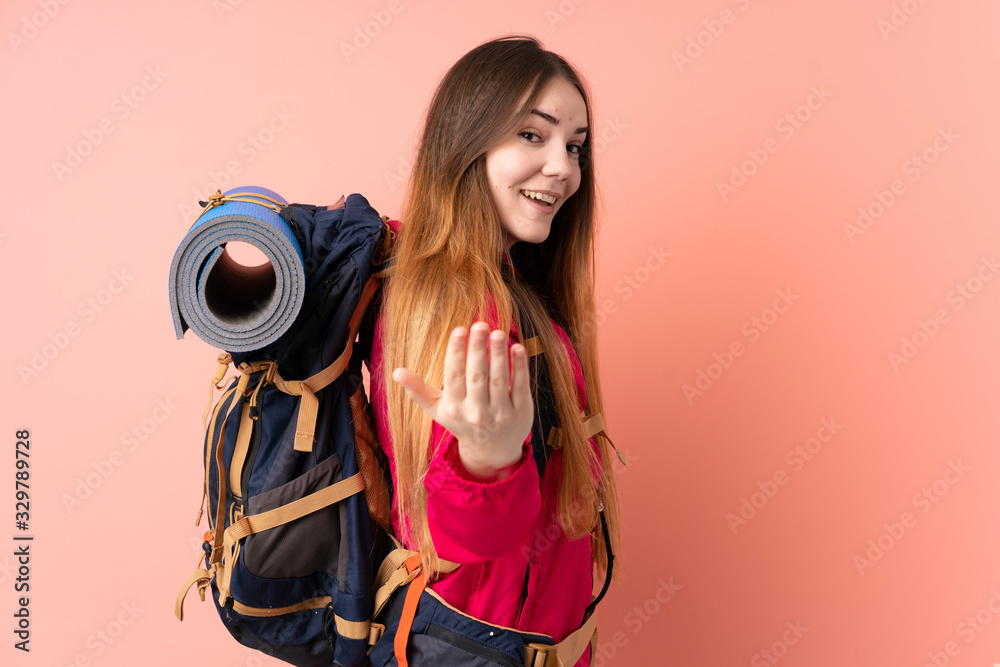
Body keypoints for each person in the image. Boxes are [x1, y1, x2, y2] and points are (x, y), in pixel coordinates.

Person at [368, 35, 621, 666]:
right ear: (468, 142)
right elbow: (463, 536)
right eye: (533, 136)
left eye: (575, 145)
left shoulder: (505, 289)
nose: (563, 167)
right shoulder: (462, 302)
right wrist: (486, 459)